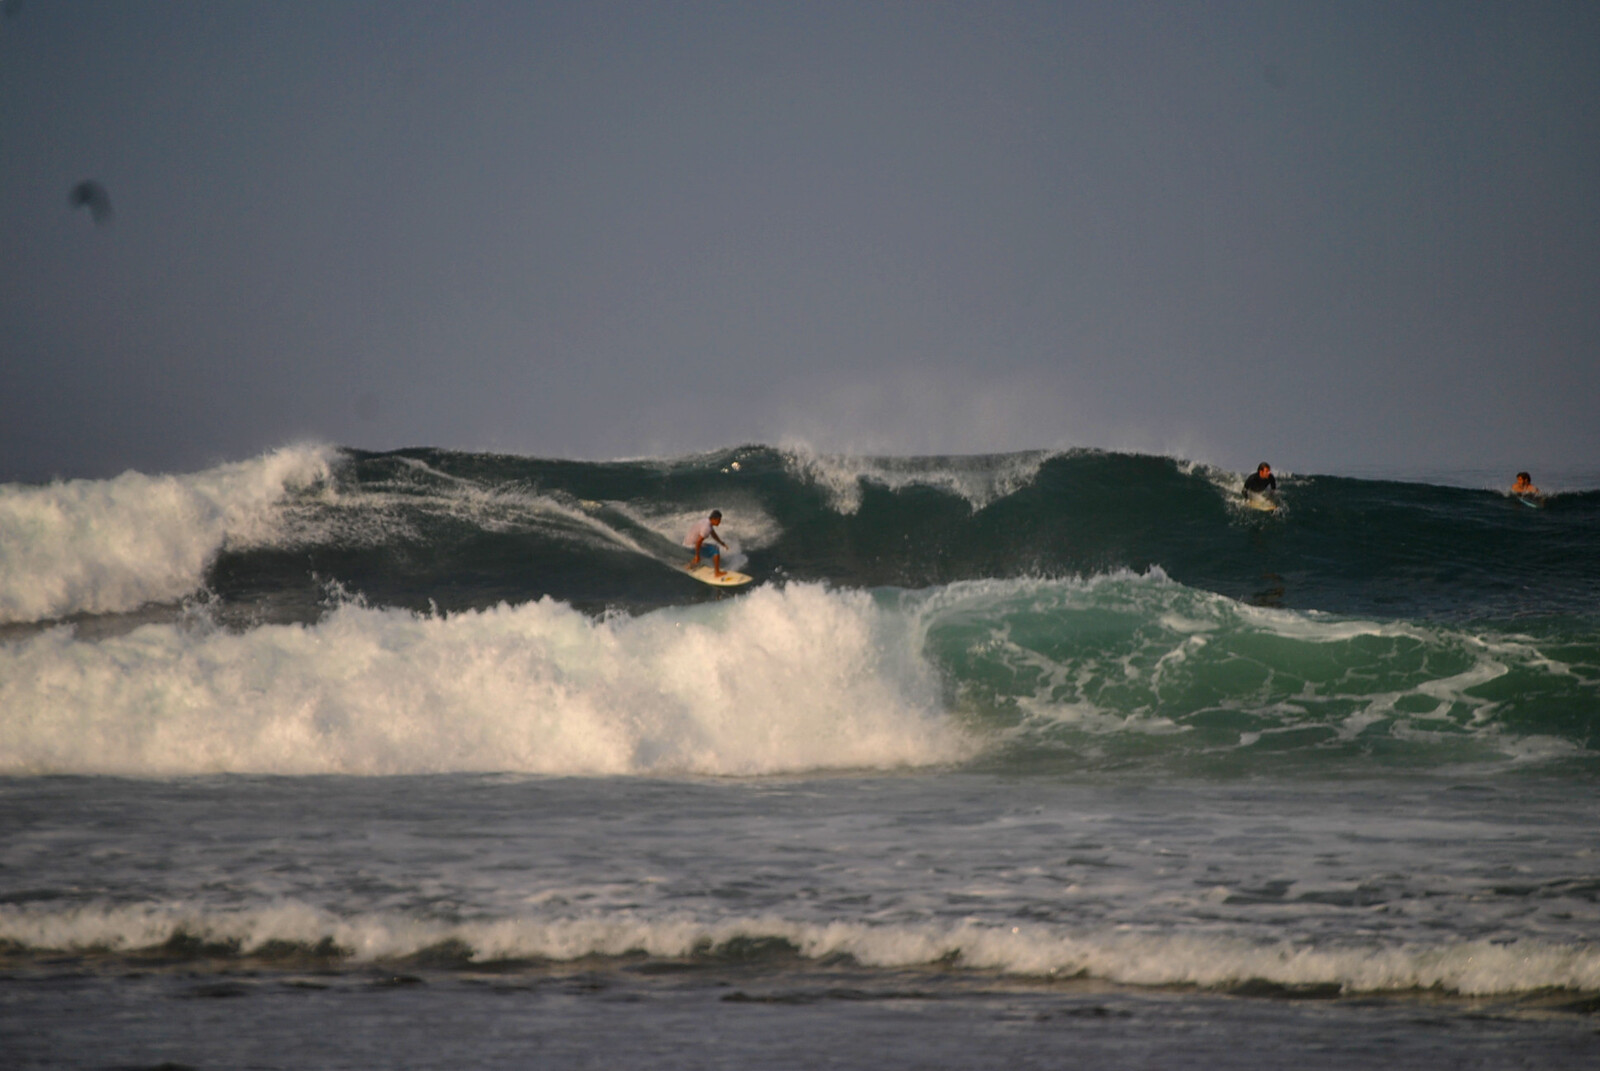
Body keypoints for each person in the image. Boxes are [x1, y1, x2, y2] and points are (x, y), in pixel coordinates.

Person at [684, 510, 729, 577]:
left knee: (707, 551)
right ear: (714, 519)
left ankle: (689, 566)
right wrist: (697, 555)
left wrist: (721, 543)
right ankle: (717, 573)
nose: (720, 522)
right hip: (692, 546)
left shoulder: (707, 521)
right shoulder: (706, 528)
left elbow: (713, 534)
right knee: (715, 549)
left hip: (686, 544)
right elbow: (698, 542)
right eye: (719, 520)